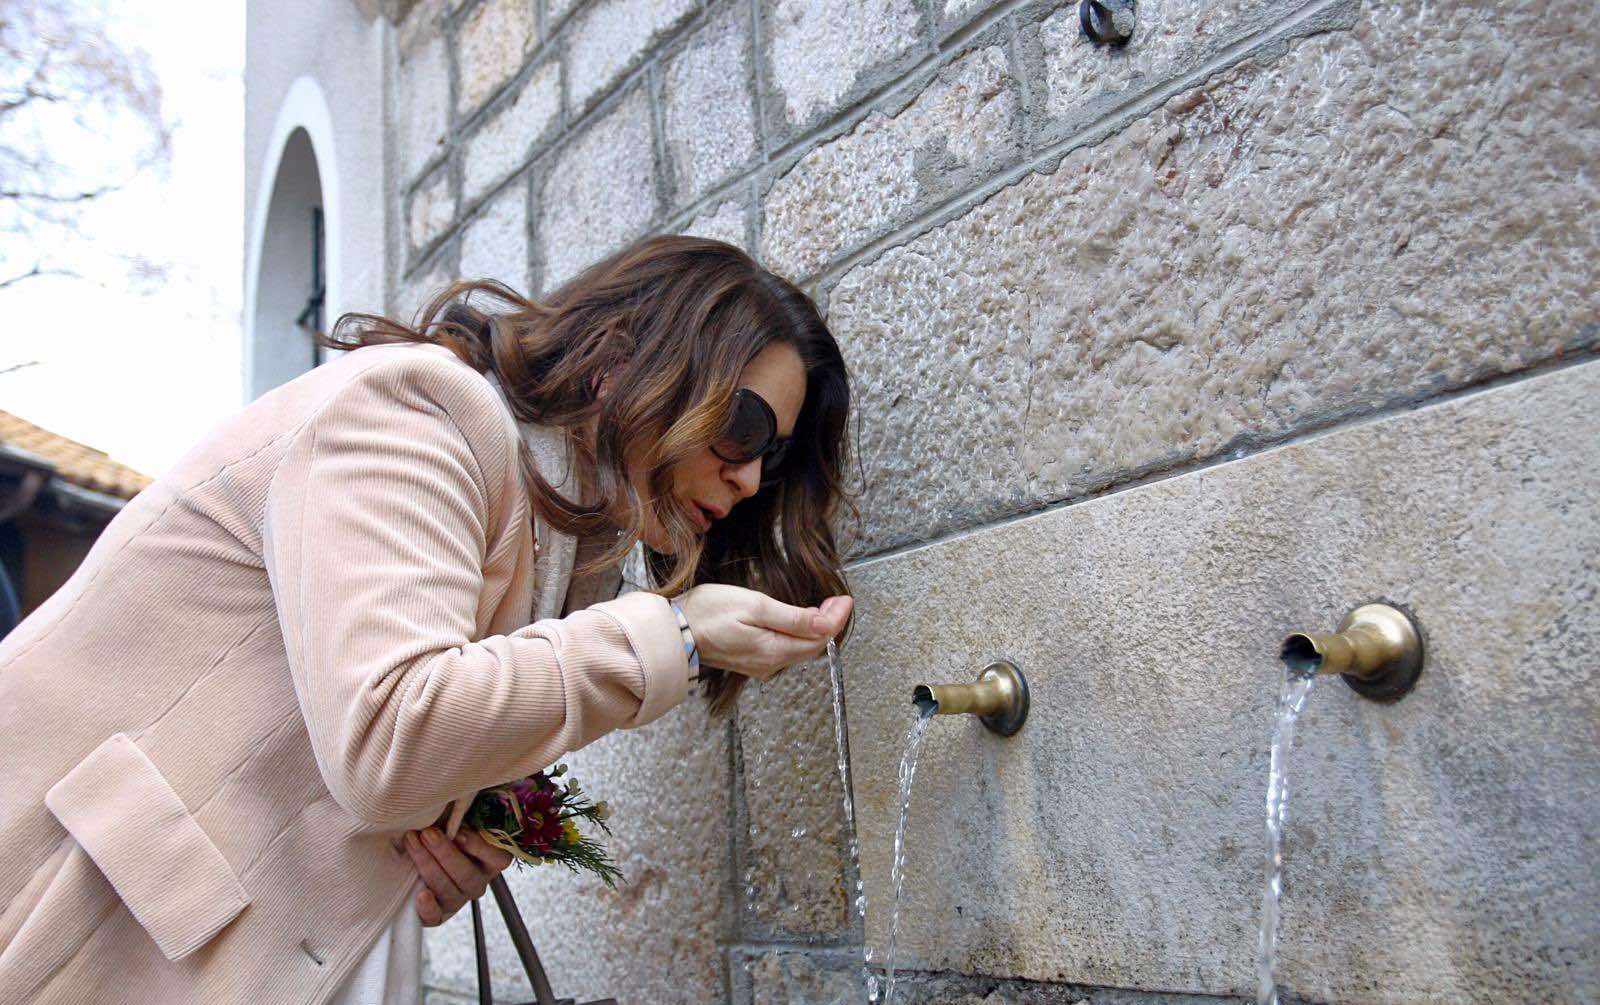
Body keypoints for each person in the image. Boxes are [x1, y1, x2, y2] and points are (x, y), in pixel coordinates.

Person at [0, 236, 856, 1004]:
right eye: (744, 427)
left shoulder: (565, 559)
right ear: (625, 359)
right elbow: (387, 734)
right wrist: (678, 631)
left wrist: (467, 834)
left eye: (772, 456)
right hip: (75, 934)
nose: (748, 480)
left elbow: (399, 755)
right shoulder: (419, 413)